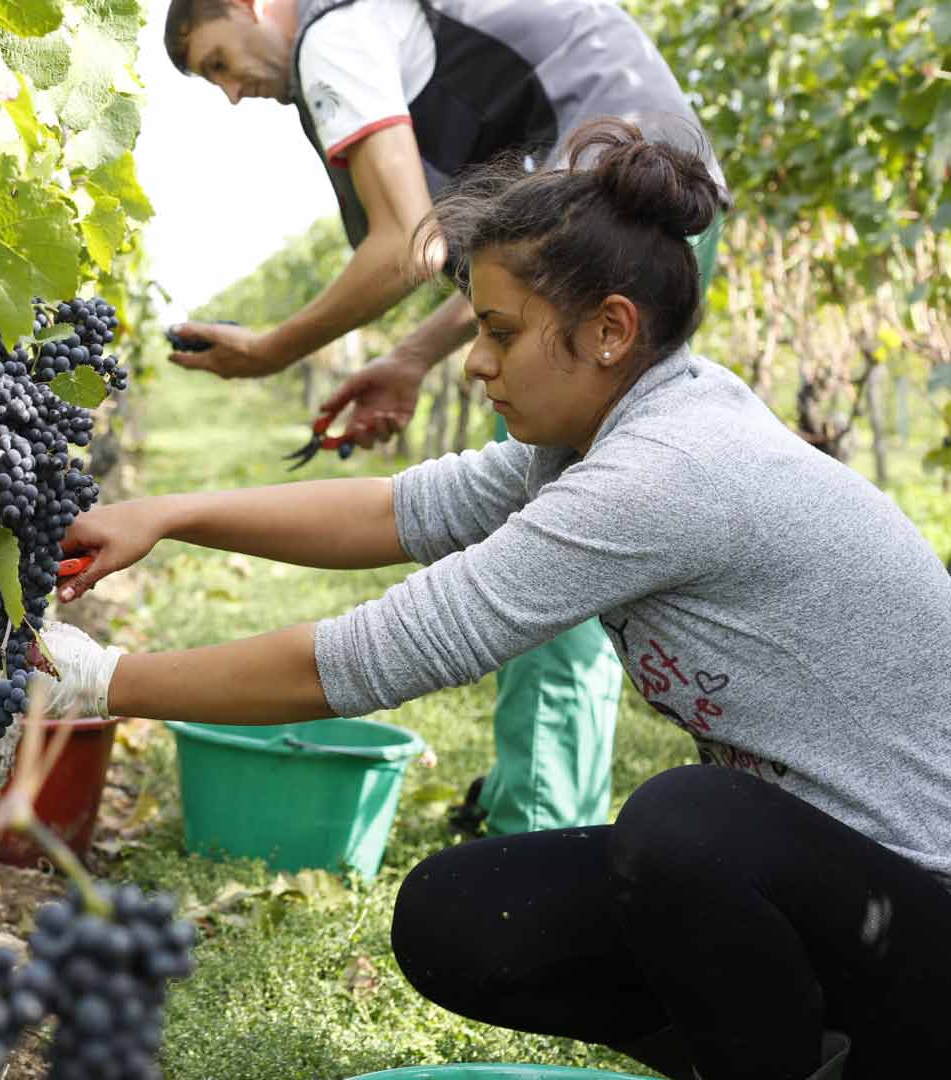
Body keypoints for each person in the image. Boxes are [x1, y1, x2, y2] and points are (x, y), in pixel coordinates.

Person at [0, 121, 951, 1078]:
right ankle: (804, 1053)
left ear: (609, 330)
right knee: (462, 917)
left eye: (497, 333)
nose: (473, 362)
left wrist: (107, 680)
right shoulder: (614, 427)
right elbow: (398, 509)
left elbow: (376, 653)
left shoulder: (669, 470)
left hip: (921, 918)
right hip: (817, 888)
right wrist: (171, 514)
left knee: (685, 826)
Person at [158, 0, 731, 839]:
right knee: (549, 508)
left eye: (215, 63)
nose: (232, 93)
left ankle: (541, 823)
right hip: (649, 198)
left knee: (553, 540)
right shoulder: (386, 17)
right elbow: (513, 258)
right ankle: (525, 794)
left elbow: (406, 246)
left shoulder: (333, 33)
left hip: (624, 203)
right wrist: (411, 358)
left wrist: (272, 350)